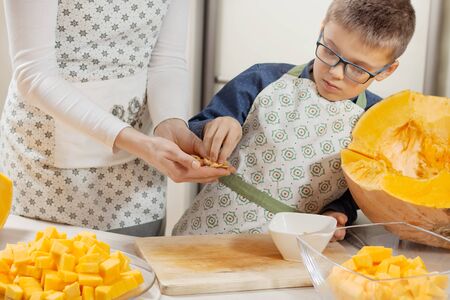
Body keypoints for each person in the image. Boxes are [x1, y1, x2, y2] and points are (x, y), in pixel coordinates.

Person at [173, 0, 416, 238]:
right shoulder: (262, 79)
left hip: (291, 249)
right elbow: (192, 134)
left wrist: (339, 211)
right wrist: (215, 125)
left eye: (358, 69)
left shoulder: (375, 120)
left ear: (386, 70)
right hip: (206, 230)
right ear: (322, 28)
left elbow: (359, 192)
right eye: (330, 51)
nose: (335, 72)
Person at [0, 0, 230, 237]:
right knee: (49, 266)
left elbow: (166, 60)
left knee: (136, 269)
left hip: (138, 172)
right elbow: (33, 73)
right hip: (47, 175)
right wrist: (133, 140)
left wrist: (171, 124)